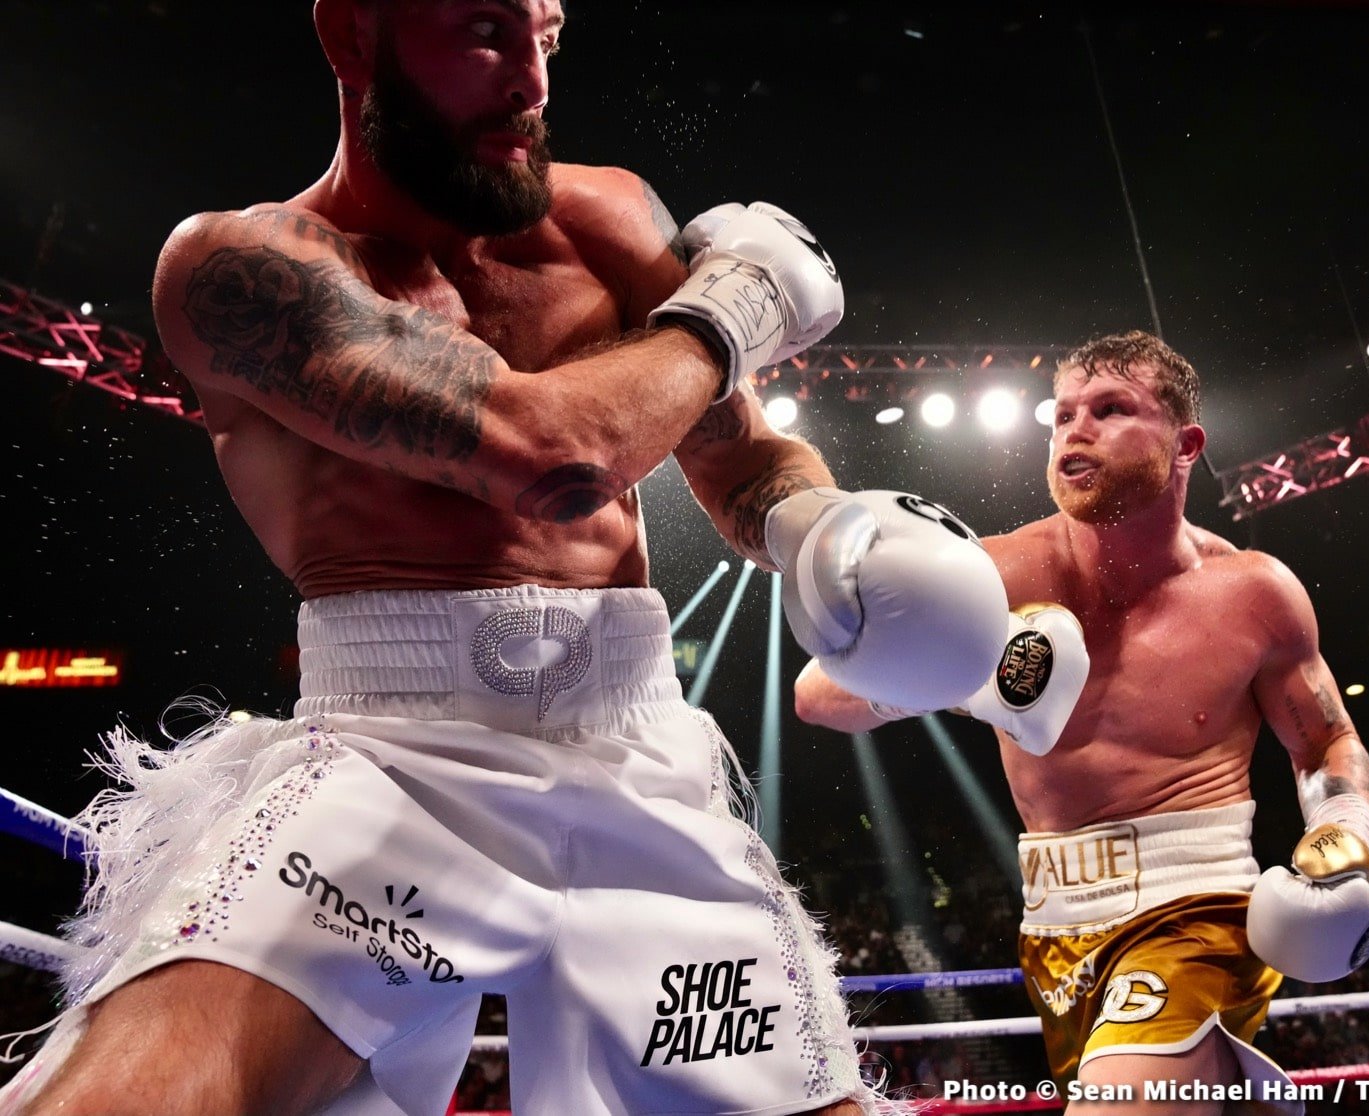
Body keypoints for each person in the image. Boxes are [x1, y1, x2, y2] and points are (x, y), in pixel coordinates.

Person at [0, 2, 1013, 1114]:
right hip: (390, 763)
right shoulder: (241, 269)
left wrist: (817, 529)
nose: (531, 79)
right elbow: (550, 456)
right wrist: (739, 305)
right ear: (351, 37)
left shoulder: (608, 217)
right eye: (484, 30)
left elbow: (738, 457)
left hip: (638, 759)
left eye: (547, 32)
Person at [795, 330, 1369, 1114]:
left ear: (1185, 445)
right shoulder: (1000, 574)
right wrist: (975, 684)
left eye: (1110, 410)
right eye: (1063, 414)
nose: (1076, 429)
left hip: (1197, 911)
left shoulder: (1254, 592)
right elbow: (818, 694)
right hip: (1054, 928)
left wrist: (1345, 828)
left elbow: (1326, 741)